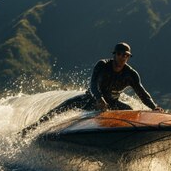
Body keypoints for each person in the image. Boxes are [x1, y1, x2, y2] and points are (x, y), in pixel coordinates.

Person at [22, 42, 163, 135]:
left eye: (126, 55)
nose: (122, 57)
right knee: (60, 109)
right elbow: (93, 85)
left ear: (128, 57)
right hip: (90, 99)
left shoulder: (131, 74)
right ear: (114, 54)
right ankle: (29, 130)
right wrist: (99, 99)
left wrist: (154, 107)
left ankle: (117, 135)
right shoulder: (102, 65)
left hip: (112, 103)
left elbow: (142, 93)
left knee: (129, 112)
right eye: (120, 54)